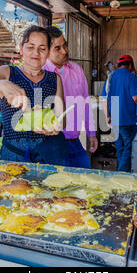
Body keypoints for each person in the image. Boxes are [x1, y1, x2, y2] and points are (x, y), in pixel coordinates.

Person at [0, 25, 67, 165]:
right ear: (21, 48)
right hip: (14, 156)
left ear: (47, 53)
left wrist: (55, 127)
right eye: (30, 47)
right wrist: (1, 85)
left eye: (42, 48)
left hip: (50, 155)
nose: (36, 53)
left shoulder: (55, 79)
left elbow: (62, 118)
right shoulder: (7, 72)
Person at [43, 26, 97, 169]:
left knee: (86, 182)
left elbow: (86, 102)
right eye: (58, 48)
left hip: (75, 141)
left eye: (65, 45)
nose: (65, 51)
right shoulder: (42, 74)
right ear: (46, 51)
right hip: (53, 144)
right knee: (61, 188)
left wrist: (91, 133)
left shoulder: (76, 69)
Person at [101, 55, 137, 172]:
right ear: (130, 65)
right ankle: (122, 174)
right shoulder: (131, 77)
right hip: (128, 120)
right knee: (128, 147)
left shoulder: (110, 77)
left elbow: (104, 99)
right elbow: (136, 98)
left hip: (114, 120)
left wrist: (107, 116)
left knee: (119, 147)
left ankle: (120, 171)